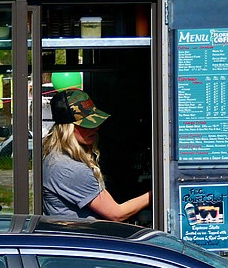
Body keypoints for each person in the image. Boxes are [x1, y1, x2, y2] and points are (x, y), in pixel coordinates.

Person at [42, 89, 151, 221]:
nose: (95, 128)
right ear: (67, 128)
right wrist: (155, 194)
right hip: (82, 238)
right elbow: (117, 214)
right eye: (86, 125)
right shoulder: (70, 168)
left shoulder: (54, 157)